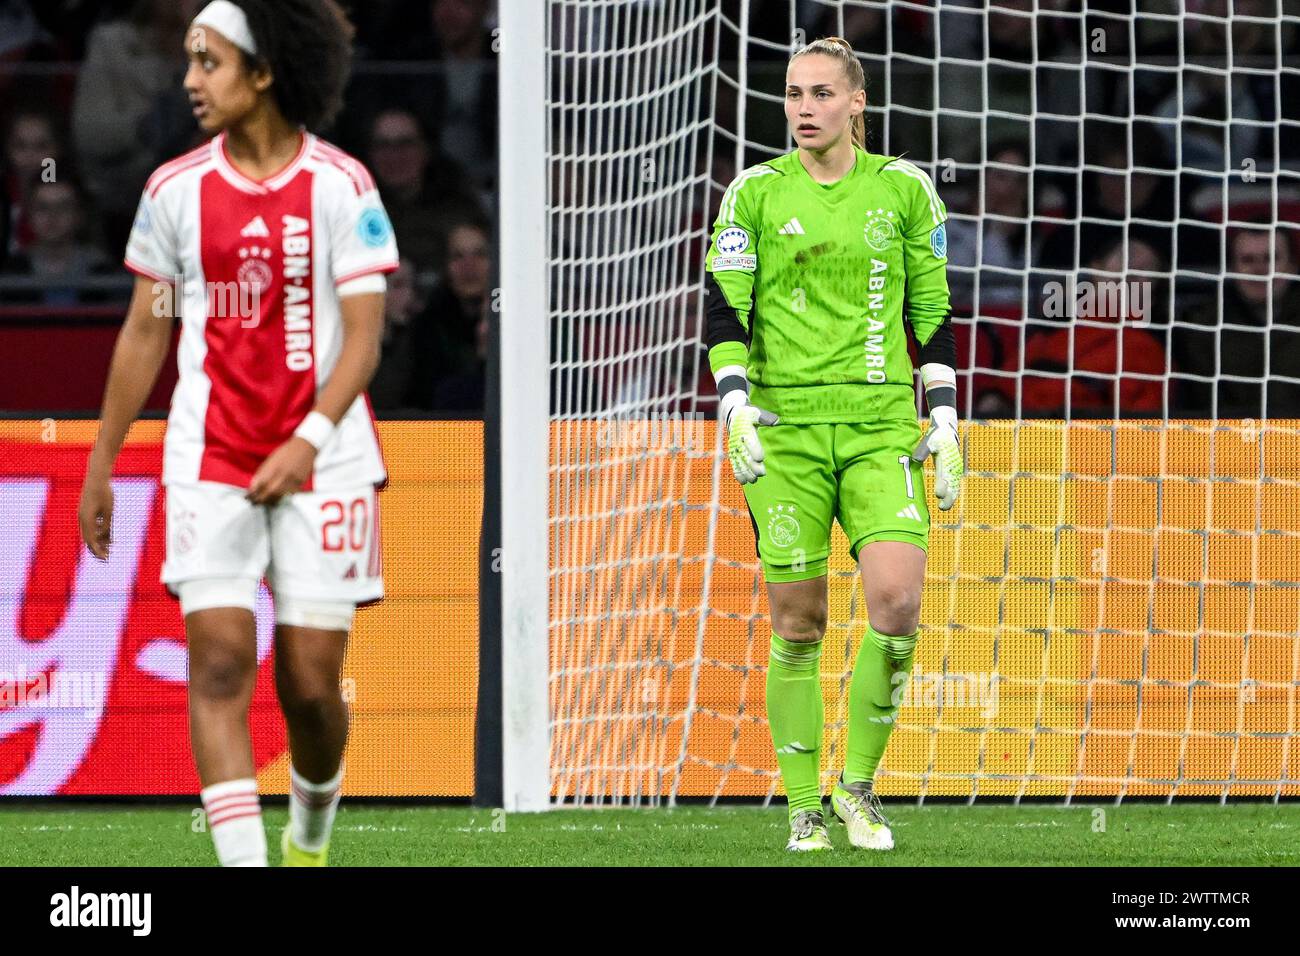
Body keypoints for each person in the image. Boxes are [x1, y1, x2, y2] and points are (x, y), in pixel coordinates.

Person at [77, 0, 398, 867]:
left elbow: (366, 337)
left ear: (263, 73)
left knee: (309, 685)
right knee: (219, 663)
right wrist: (103, 461)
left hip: (325, 462)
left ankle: (309, 836)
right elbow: (148, 328)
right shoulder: (173, 192)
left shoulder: (342, 185)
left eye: (208, 63)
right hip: (208, 457)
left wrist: (308, 438)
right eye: (188, 61)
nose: (189, 81)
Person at [705, 36, 963, 852]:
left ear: (858, 102)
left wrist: (947, 414)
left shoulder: (904, 190)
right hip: (783, 433)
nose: (804, 109)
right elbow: (724, 309)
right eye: (793, 94)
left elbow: (933, 310)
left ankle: (858, 788)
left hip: (881, 422)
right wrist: (735, 402)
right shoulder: (752, 193)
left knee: (897, 600)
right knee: (800, 622)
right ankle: (802, 805)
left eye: (821, 93)